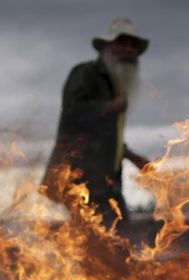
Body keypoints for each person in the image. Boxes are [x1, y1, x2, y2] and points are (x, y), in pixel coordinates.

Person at [41, 18, 150, 228]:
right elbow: (72, 112)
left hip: (107, 183)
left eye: (133, 46)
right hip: (82, 180)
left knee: (113, 243)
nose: (128, 50)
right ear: (106, 46)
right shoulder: (85, 73)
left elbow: (106, 136)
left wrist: (132, 157)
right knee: (109, 244)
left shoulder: (116, 86)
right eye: (122, 42)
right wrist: (107, 107)